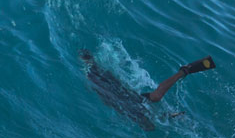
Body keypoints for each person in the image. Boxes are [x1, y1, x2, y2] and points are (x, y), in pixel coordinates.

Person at [79, 49, 215, 131]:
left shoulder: (91, 76)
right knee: (154, 98)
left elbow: (104, 96)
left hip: (126, 102)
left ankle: (167, 116)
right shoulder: (98, 73)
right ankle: (184, 71)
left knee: (150, 118)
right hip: (128, 97)